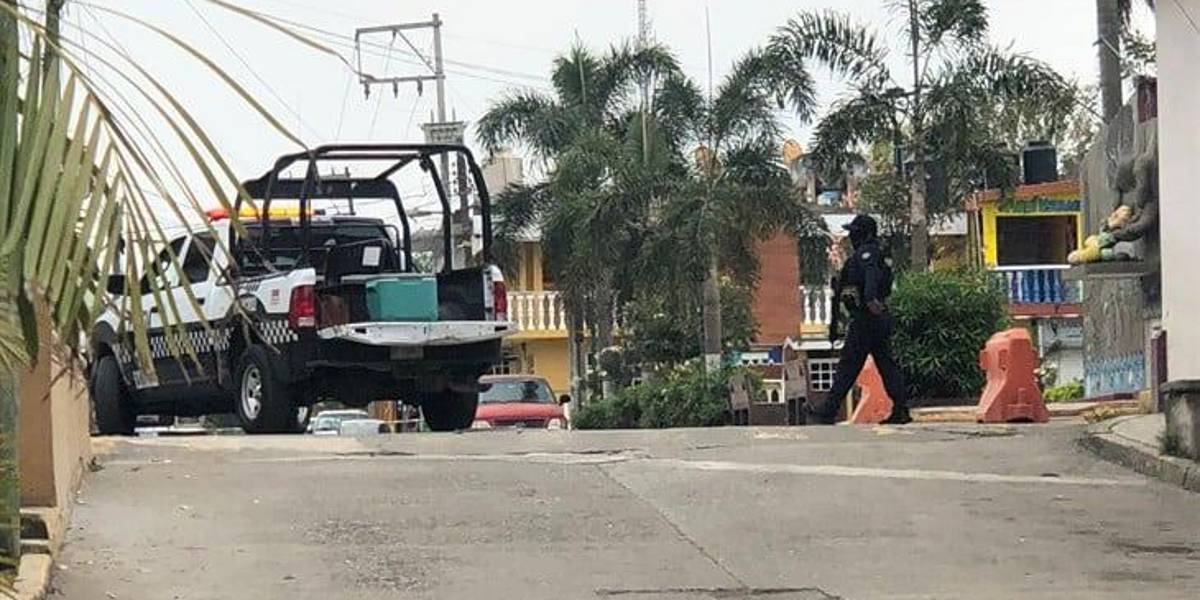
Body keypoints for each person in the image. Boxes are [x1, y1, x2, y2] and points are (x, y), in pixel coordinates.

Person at [805, 214, 911, 425]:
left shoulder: (867, 254)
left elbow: (870, 278)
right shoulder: (875, 253)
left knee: (848, 366)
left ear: (866, 233)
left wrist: (871, 301)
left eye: (855, 231)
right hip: (873, 319)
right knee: (886, 365)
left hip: (866, 319)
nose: (852, 236)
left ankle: (827, 411)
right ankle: (900, 408)